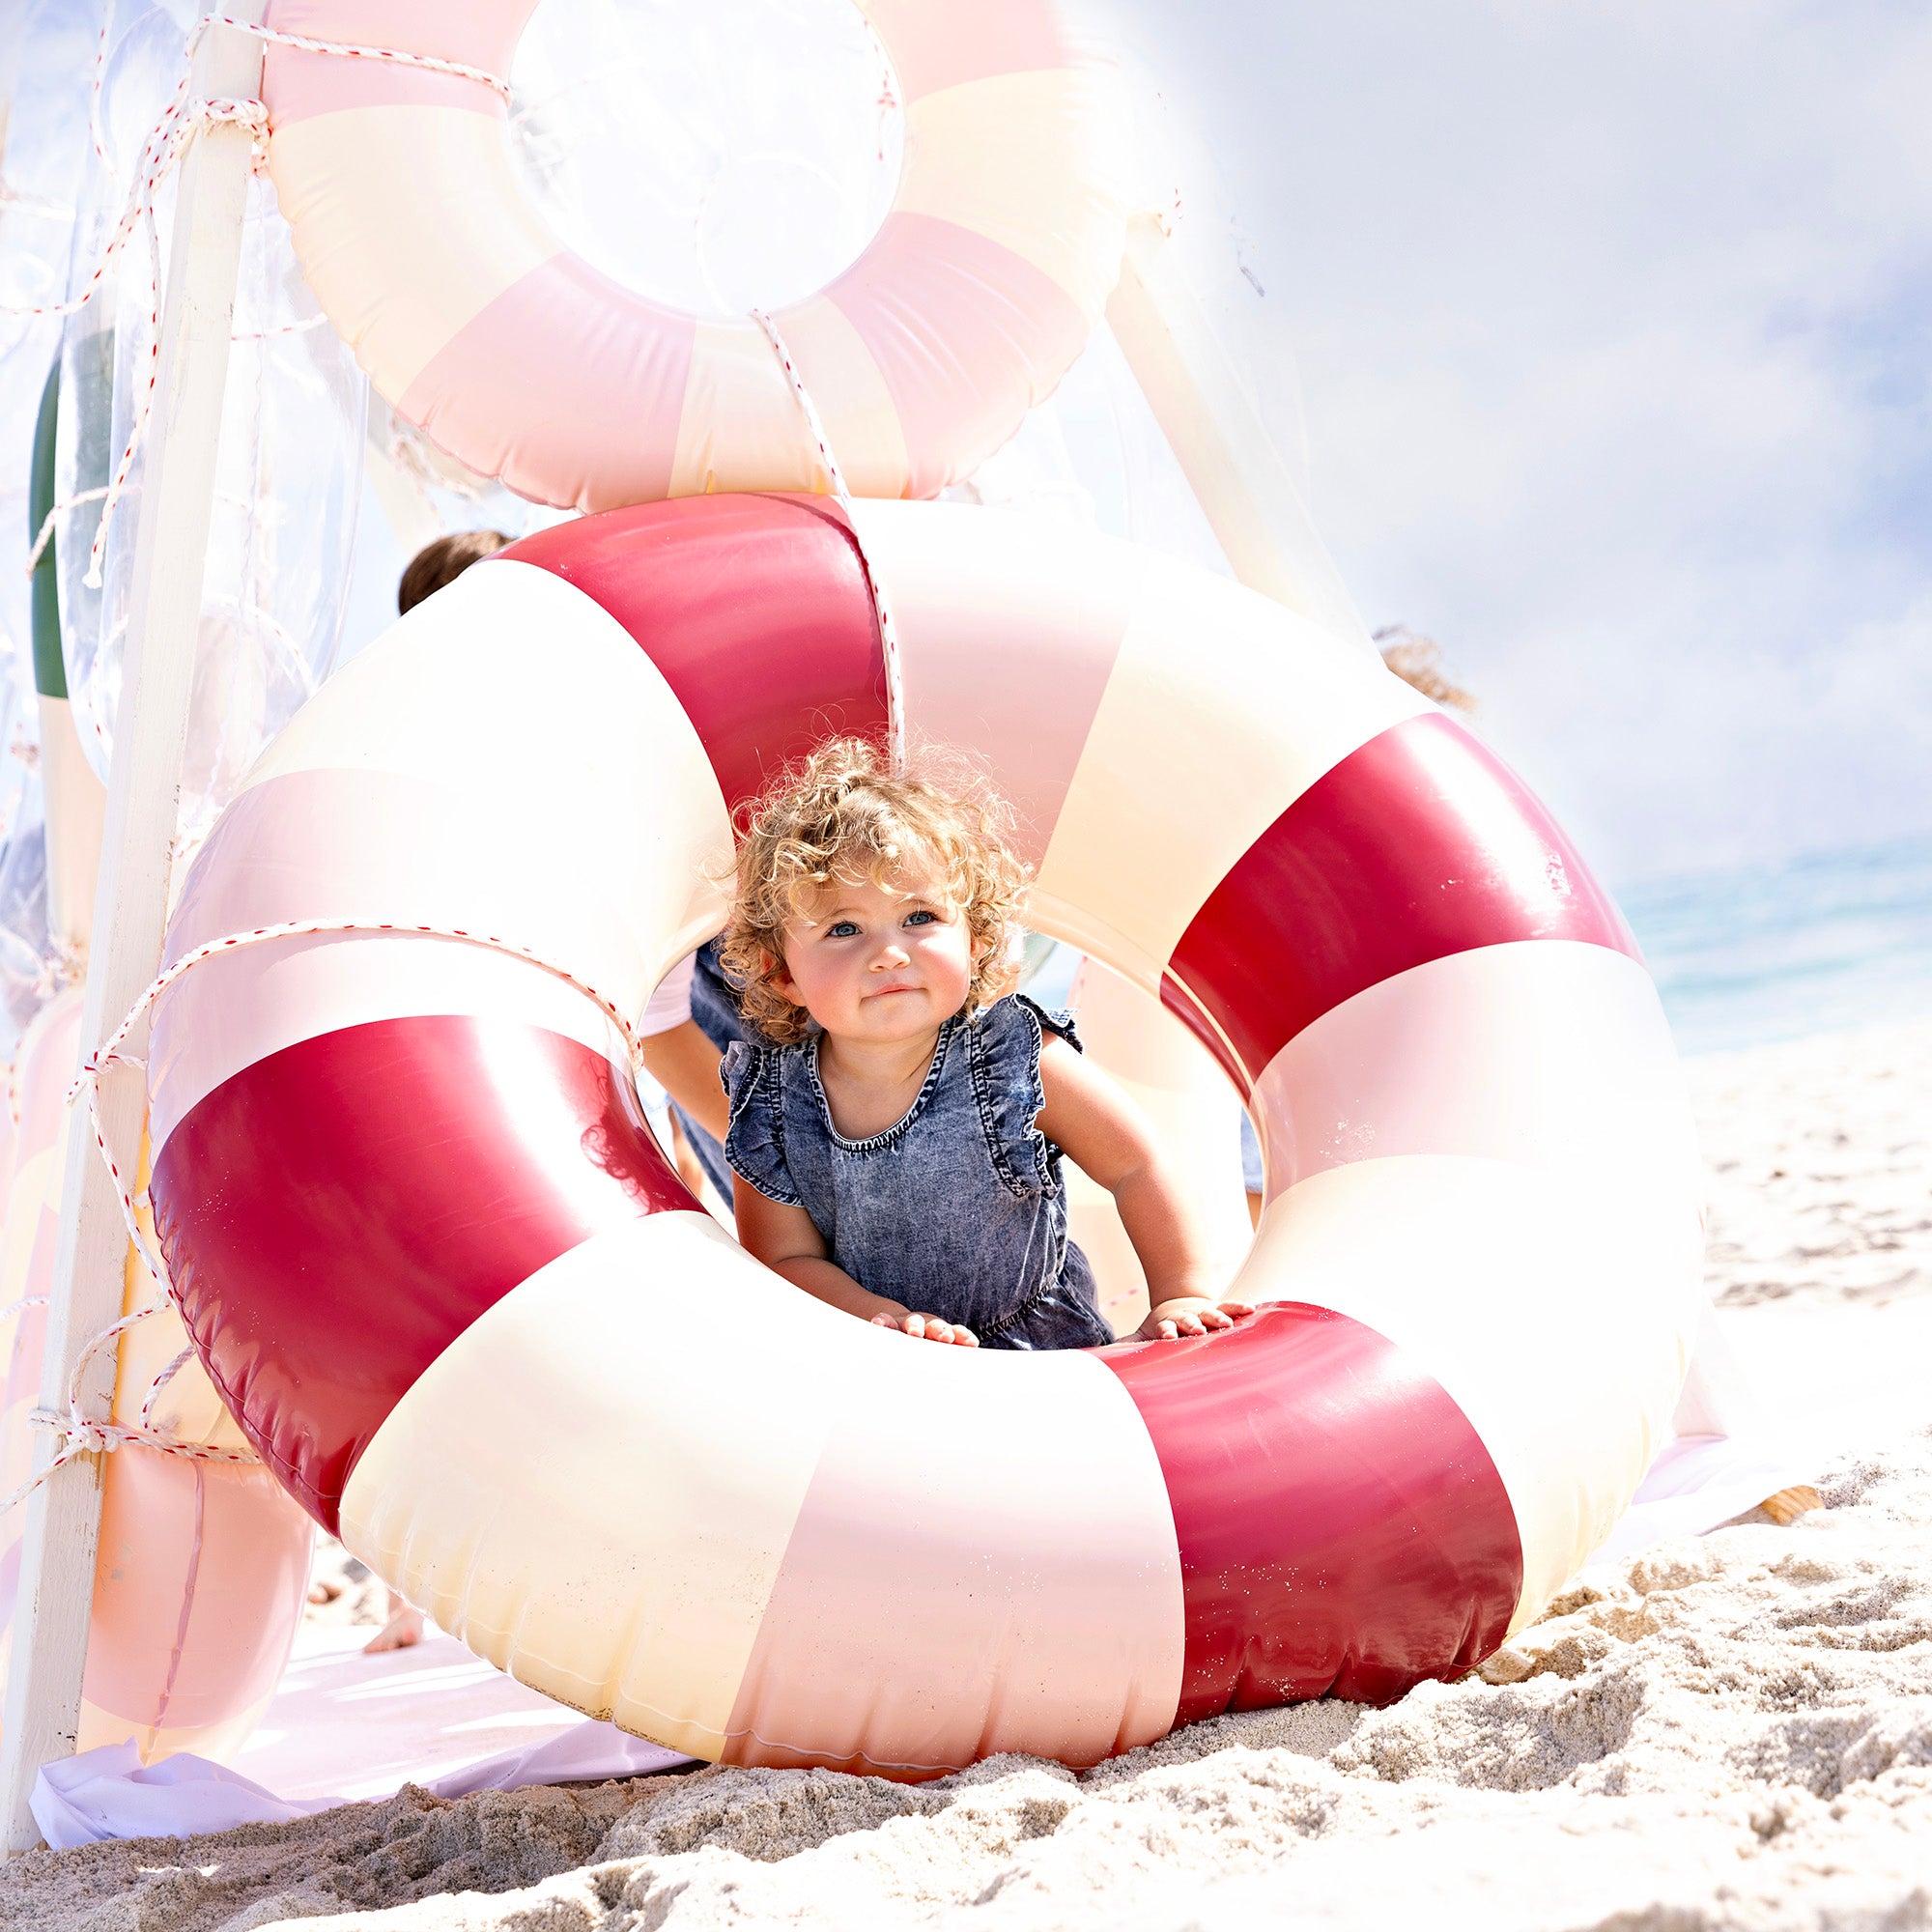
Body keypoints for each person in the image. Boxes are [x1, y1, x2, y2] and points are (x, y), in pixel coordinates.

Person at [714, 737, 1248, 1349]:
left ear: (974, 942)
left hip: (1039, 1356)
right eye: (843, 928)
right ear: (782, 974)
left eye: (919, 918)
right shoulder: (772, 1106)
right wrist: (879, 1318)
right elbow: (783, 1260)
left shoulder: (1011, 1058)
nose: (889, 953)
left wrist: (1181, 1291)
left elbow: (1136, 1164)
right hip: (876, 1362)